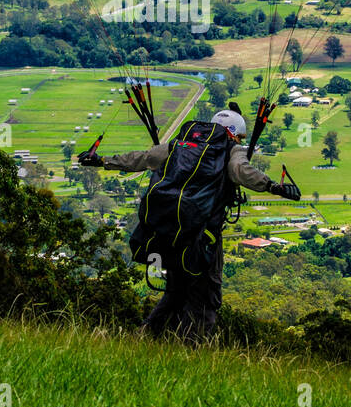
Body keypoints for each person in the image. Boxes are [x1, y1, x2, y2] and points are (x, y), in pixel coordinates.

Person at [78, 107, 300, 344]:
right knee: (206, 295)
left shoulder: (182, 144)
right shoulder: (229, 148)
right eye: (240, 137)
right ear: (234, 133)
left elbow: (144, 158)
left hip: (171, 232)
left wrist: (103, 161)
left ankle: (144, 338)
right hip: (203, 235)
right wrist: (274, 187)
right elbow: (240, 170)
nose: (240, 141)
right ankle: (191, 349)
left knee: (176, 291)